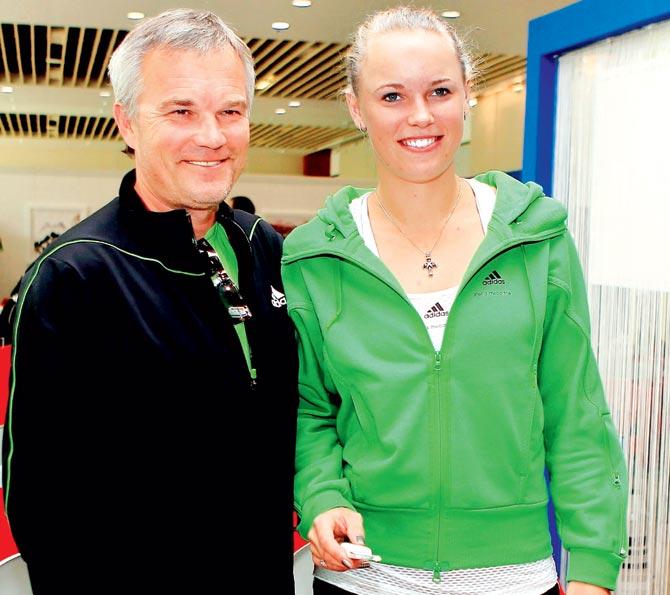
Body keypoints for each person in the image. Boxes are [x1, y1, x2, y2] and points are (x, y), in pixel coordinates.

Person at [282, 7, 627, 595]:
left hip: (514, 575)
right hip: (364, 576)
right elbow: (311, 411)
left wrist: (594, 568)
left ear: (469, 93)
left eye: (440, 90)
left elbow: (576, 414)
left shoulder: (536, 239)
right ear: (355, 107)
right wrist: (320, 498)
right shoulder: (316, 257)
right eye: (391, 96)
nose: (420, 116)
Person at [2, 9, 297, 594]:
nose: (211, 136)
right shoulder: (75, 276)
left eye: (230, 112)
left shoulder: (261, 245)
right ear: (128, 122)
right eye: (181, 111)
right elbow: (40, 501)